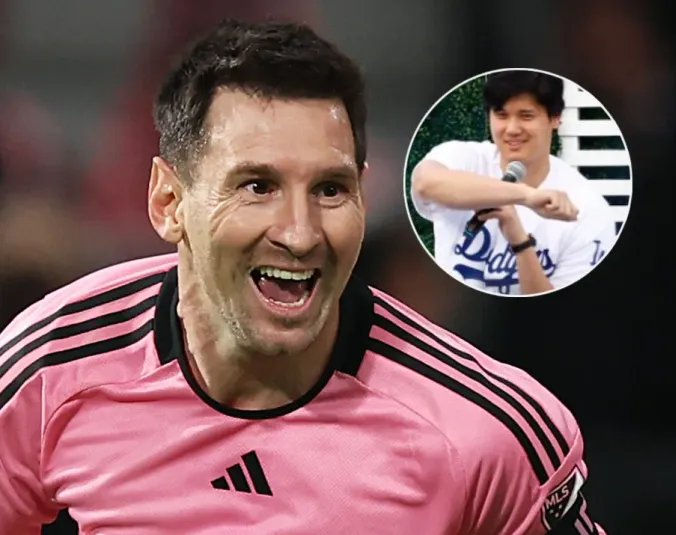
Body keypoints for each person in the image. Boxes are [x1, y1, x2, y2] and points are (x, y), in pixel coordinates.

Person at [0, 20, 605, 534]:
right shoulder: (49, 370)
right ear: (169, 203)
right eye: (257, 186)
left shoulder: (487, 431)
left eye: (330, 189)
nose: (300, 233)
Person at [410, 70, 617, 296]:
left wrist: (520, 241)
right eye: (501, 115)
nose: (512, 129)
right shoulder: (462, 158)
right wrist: (524, 195)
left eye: (526, 116)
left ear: (555, 118)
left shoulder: (586, 207)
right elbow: (425, 184)